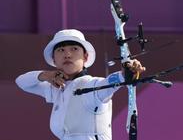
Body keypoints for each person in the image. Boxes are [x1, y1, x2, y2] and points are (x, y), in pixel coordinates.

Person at [15, 29, 145, 140]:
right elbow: (21, 82)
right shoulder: (56, 87)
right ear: (54, 60)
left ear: (86, 57)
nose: (67, 54)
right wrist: (45, 75)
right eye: (61, 50)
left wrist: (126, 73)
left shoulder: (90, 84)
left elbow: (109, 83)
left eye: (74, 49)